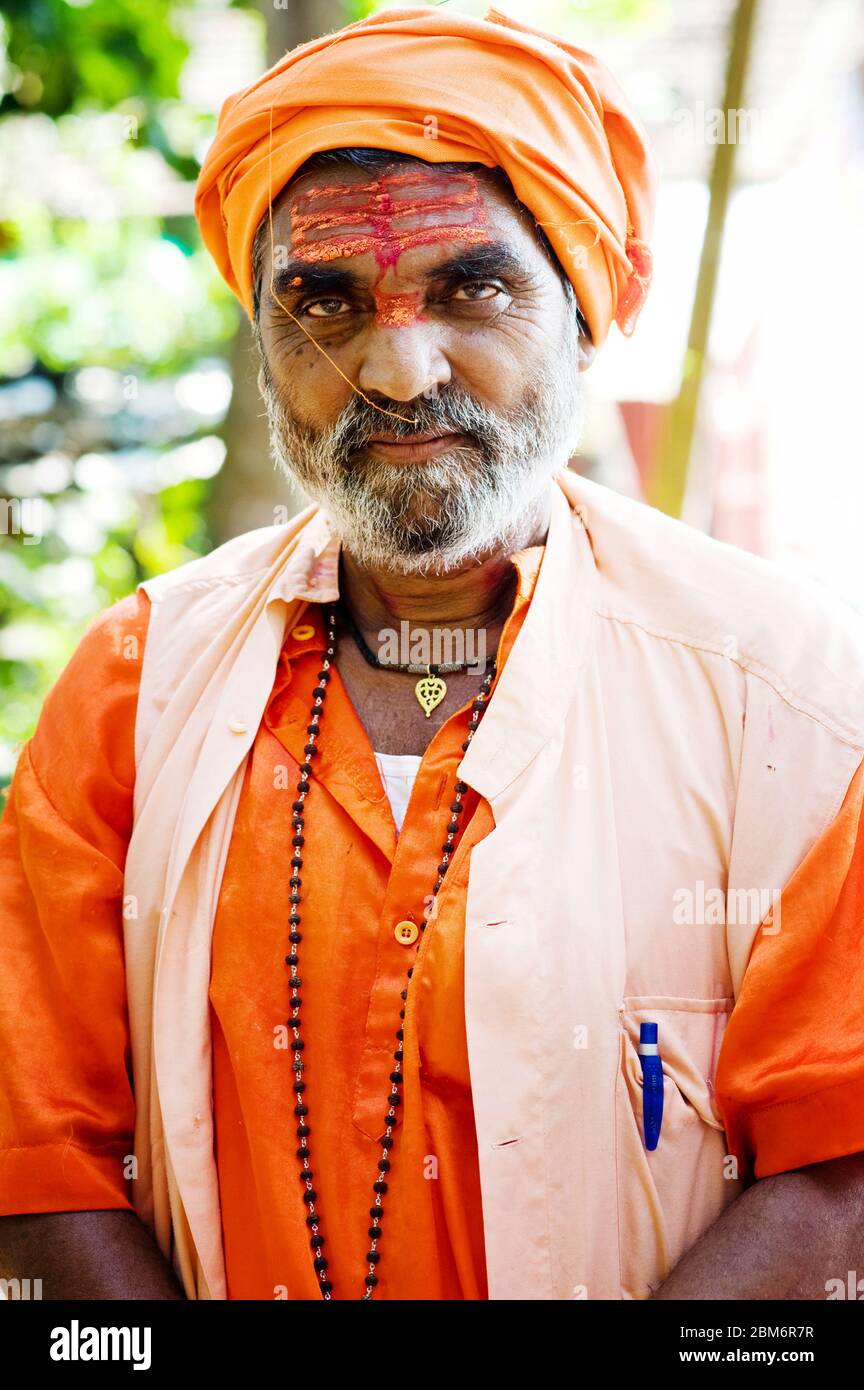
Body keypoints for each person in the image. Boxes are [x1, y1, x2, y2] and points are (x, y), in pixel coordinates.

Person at [2, 5, 864, 1303]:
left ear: (583, 311)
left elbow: (836, 1160)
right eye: (324, 304)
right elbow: (41, 1159)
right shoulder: (135, 691)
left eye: (473, 288)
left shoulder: (779, 689)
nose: (398, 370)